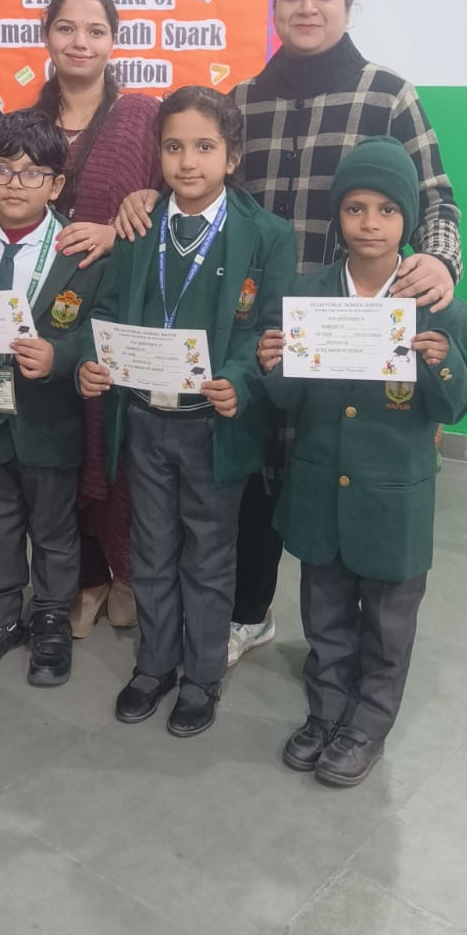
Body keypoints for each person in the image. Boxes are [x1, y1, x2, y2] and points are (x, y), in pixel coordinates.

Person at [113, 0, 462, 667]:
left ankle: (344, 635)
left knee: (334, 464)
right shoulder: (243, 98)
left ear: (347, 6)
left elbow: (436, 201)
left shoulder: (388, 94)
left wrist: (440, 260)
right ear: (274, 9)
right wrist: (150, 193)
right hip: (255, 321)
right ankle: (248, 612)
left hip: (354, 328)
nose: (308, 7)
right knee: (253, 469)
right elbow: (204, 183)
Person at [78, 87, 297, 737]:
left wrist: (241, 383)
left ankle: (201, 676)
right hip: (145, 418)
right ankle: (153, 665)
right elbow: (106, 311)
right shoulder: (139, 226)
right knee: (151, 549)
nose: (188, 161)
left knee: (208, 555)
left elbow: (271, 330)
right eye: (174, 147)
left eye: (204, 147)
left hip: (214, 426)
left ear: (232, 156)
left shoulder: (266, 234)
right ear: (159, 154)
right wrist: (94, 360)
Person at [257, 138, 467, 785]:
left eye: (386, 209)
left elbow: (455, 405)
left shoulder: (438, 304)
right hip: (320, 489)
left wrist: (439, 362)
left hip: (392, 499)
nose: (370, 223)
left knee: (386, 626)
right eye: (355, 208)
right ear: (338, 215)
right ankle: (326, 712)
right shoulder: (308, 292)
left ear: (408, 219)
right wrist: (273, 364)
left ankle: (367, 724)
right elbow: (284, 397)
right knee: (324, 616)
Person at [0, 0, 162, 637]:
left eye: (95, 30)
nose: (80, 42)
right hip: (37, 326)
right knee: (54, 461)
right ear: (46, 35)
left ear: (114, 40)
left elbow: (178, 191)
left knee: (112, 452)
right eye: (66, 27)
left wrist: (130, 220)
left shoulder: (143, 118)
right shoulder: (24, 122)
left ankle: (123, 573)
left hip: (113, 311)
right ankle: (83, 583)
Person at [0, 109, 107, 687]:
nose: (15, 184)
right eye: (2, 170)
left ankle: (51, 616)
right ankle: (1, 611)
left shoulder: (79, 250)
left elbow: (99, 331)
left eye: (33, 174)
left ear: (56, 184)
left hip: (49, 419)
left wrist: (62, 356)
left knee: (53, 528)